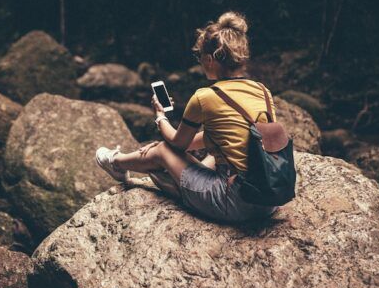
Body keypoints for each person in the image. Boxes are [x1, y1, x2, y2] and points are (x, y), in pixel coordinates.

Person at [95, 11, 278, 222]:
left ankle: (115, 162)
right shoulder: (262, 91)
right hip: (269, 198)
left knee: (164, 150)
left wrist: (160, 116)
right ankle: (160, 171)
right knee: (194, 154)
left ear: (209, 60)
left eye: (199, 56)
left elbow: (177, 143)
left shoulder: (206, 96)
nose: (199, 61)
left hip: (237, 202)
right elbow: (237, 137)